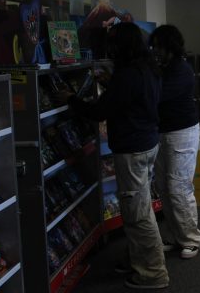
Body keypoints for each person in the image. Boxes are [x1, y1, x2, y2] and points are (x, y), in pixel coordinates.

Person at [60, 22, 168, 289]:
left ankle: (153, 272)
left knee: (138, 213)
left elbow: (99, 112)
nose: (110, 48)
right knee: (138, 208)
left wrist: (71, 100)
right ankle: (138, 259)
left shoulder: (127, 74)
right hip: (147, 143)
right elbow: (133, 97)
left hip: (132, 149)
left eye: (113, 44)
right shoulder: (148, 68)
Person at [149, 24, 200, 260]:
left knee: (178, 187)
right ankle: (175, 235)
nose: (156, 51)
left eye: (159, 46)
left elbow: (158, 96)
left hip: (182, 132)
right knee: (163, 186)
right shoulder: (164, 67)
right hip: (162, 131)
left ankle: (191, 238)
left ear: (169, 46)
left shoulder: (181, 69)